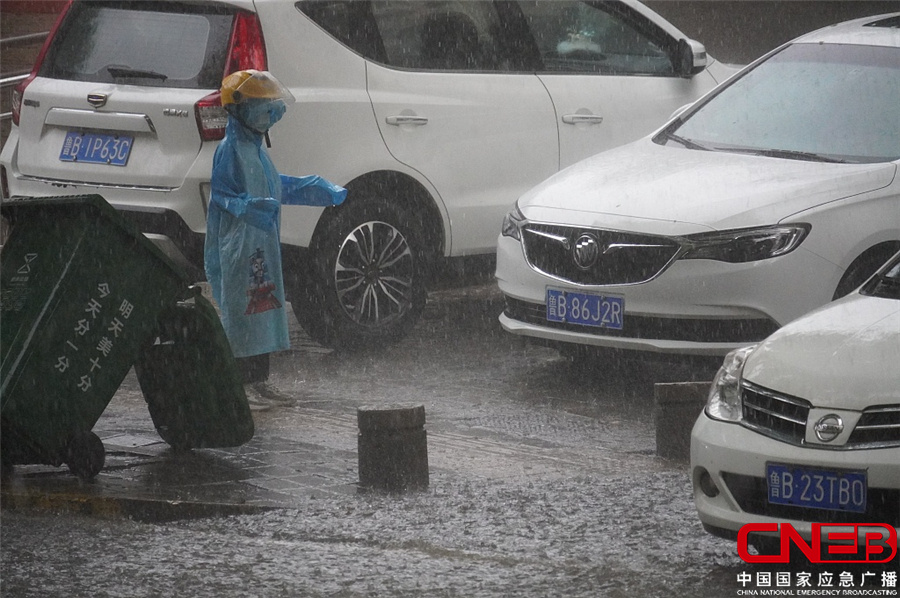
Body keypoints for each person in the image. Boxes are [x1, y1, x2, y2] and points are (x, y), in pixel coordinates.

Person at [205, 70, 345, 410]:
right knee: (242, 312)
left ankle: (259, 380)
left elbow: (271, 183)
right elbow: (222, 194)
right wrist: (246, 207)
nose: (271, 114)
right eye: (263, 106)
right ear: (240, 109)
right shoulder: (229, 150)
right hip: (239, 244)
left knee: (263, 309)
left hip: (260, 244)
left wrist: (307, 188)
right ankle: (239, 383)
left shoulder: (254, 148)